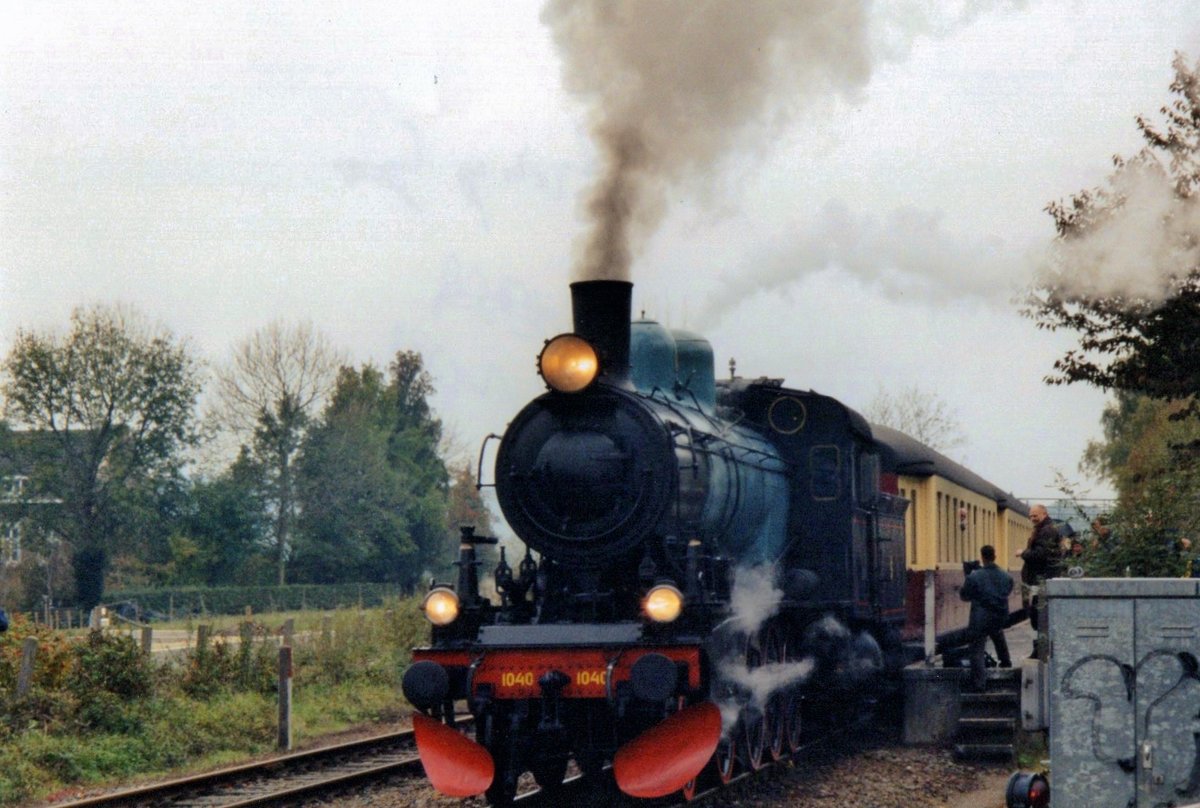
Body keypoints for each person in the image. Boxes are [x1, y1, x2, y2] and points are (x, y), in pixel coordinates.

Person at [960, 545, 1014, 690]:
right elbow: (1008, 591)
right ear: (995, 556)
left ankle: (979, 683)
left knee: (976, 649)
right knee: (998, 635)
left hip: (981, 618)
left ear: (982, 557)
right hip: (999, 616)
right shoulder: (1006, 576)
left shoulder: (974, 576)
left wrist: (968, 577)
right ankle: (1006, 663)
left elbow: (965, 596)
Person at [1016, 504, 1063, 632]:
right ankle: (1039, 649)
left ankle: (1041, 650)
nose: (1032, 518)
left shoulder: (1046, 530)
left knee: (1039, 617)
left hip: (1042, 579)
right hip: (1041, 579)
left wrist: (1023, 553)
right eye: (1031, 516)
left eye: (1035, 515)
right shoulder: (1045, 528)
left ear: (1044, 514)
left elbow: (1040, 554)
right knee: (1038, 616)